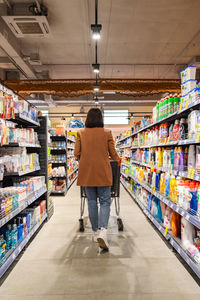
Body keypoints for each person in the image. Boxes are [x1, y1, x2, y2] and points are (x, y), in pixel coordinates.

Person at [74, 108, 120, 250]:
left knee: (92, 201)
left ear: (87, 119)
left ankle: (95, 232)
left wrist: (85, 159)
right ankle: (103, 231)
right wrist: (118, 160)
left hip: (87, 172)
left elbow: (76, 153)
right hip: (103, 172)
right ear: (101, 119)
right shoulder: (107, 133)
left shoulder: (81, 133)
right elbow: (113, 154)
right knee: (105, 201)